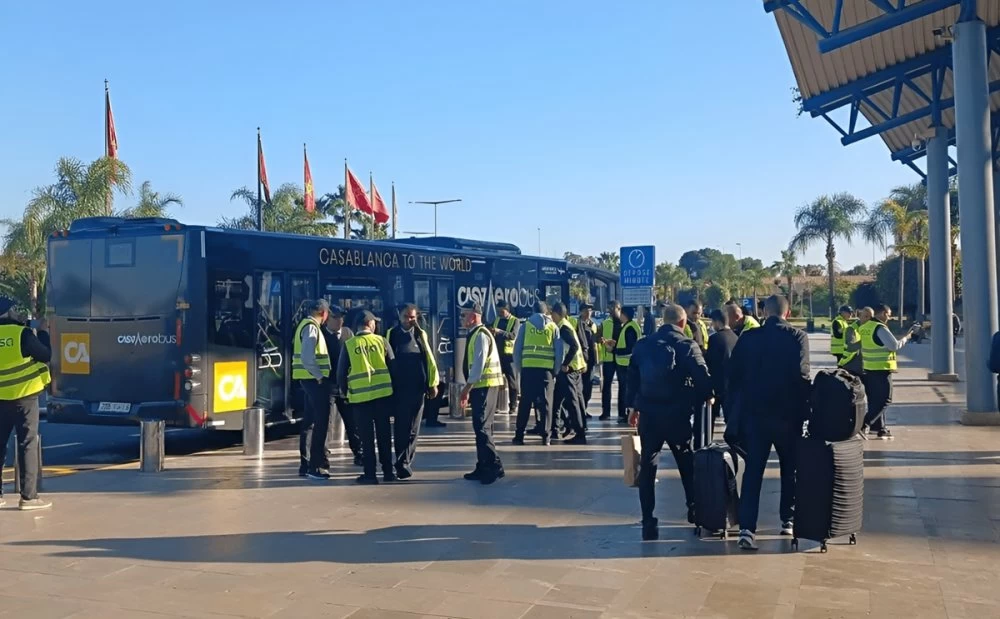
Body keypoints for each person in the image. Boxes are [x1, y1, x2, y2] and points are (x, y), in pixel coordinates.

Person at [727, 295, 810, 551]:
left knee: (753, 472)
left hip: (755, 415)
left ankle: (747, 529)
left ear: (764, 313)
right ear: (788, 313)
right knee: (790, 469)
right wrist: (805, 411)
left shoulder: (749, 338)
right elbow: (802, 375)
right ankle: (788, 520)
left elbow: (733, 376)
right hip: (788, 415)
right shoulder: (797, 337)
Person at [627, 304, 713, 540]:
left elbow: (632, 377)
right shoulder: (687, 345)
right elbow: (702, 377)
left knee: (648, 465)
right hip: (677, 415)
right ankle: (694, 510)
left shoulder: (643, 345)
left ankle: (647, 520)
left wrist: (633, 406)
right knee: (686, 463)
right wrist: (709, 395)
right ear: (683, 323)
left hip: (649, 415)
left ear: (663, 321)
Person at [0, 298, 52, 510]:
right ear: (7, 313)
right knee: (27, 444)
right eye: (14, 309)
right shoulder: (22, 334)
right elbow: (45, 354)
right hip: (25, 396)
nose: (17, 312)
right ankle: (29, 497)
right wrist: (44, 332)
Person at [337, 311, 396, 484]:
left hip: (360, 399)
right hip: (383, 396)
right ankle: (388, 472)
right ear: (370, 324)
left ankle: (370, 474)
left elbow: (341, 373)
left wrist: (345, 393)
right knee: (384, 436)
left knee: (366, 438)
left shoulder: (349, 345)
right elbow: (394, 366)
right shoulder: (382, 341)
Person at [386, 304, 439, 480]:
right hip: (400, 389)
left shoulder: (420, 334)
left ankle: (406, 460)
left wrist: (432, 383)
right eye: (406, 317)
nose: (410, 320)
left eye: (413, 317)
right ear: (399, 316)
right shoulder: (391, 335)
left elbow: (429, 359)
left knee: (414, 428)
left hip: (418, 388)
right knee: (401, 426)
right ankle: (401, 463)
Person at [458, 301, 505, 484]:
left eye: (464, 314)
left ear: (474, 316)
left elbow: (478, 366)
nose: (461, 318)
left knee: (483, 428)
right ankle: (483, 465)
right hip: (481, 387)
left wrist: (466, 389)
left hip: (485, 386)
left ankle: (494, 466)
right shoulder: (475, 334)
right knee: (481, 427)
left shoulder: (481, 335)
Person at [859, 303, 916, 440]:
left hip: (868, 368)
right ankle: (863, 424)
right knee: (885, 400)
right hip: (881, 369)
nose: (889, 318)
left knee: (874, 400)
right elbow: (894, 346)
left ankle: (879, 428)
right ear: (883, 313)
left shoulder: (864, 327)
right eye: (889, 315)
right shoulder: (880, 328)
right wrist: (907, 337)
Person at [293, 299, 332, 480]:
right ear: (324, 313)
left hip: (307, 380)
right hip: (314, 381)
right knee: (320, 423)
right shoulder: (311, 328)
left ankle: (306, 464)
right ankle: (315, 466)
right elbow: (307, 357)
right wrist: (319, 376)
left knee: (309, 422)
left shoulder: (304, 325)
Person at [513, 301, 558, 445]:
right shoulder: (553, 327)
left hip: (528, 371)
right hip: (546, 372)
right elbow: (559, 352)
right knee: (546, 404)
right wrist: (555, 371)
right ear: (546, 312)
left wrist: (520, 369)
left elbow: (517, 350)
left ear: (533, 311)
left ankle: (519, 436)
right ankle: (546, 437)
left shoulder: (525, 326)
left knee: (525, 403)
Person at [321, 305, 361, 466]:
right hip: (328, 384)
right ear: (327, 319)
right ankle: (323, 456)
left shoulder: (348, 334)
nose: (339, 320)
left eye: (341, 317)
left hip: (345, 384)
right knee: (326, 421)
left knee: (353, 421)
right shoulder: (321, 335)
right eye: (335, 317)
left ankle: (359, 452)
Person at [550, 302, 588, 444]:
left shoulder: (564, 328)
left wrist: (565, 363)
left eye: (552, 314)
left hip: (570, 370)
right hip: (573, 369)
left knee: (572, 402)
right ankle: (556, 428)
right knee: (558, 400)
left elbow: (574, 346)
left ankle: (580, 434)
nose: (551, 317)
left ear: (557, 314)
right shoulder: (565, 325)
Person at [705, 309, 738, 423]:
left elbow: (710, 361)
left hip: (717, 385)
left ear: (717, 322)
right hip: (732, 385)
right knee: (730, 420)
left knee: (710, 419)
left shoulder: (715, 338)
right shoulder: (736, 337)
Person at [488, 300, 519, 413]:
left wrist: (500, 332)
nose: (500, 314)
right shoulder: (497, 320)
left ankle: (513, 405)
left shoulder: (515, 321)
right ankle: (495, 406)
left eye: (502, 311)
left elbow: (513, 335)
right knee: (495, 381)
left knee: (512, 382)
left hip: (509, 357)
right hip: (498, 355)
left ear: (507, 310)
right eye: (499, 311)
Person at [615, 306, 642, 424]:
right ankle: (627, 413)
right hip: (626, 363)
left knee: (626, 391)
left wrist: (615, 350)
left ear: (624, 314)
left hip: (626, 364)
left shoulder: (630, 328)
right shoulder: (630, 326)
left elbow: (630, 348)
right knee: (627, 390)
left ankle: (626, 414)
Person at [598, 301, 623, 421]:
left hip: (621, 359)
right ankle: (606, 412)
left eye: (614, 308)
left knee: (623, 386)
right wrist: (602, 340)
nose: (611, 310)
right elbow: (597, 337)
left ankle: (622, 413)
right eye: (610, 308)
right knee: (607, 386)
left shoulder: (624, 323)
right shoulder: (605, 323)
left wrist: (615, 345)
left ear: (619, 308)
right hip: (608, 359)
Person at [575, 304, 599, 409]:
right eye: (586, 310)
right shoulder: (577, 324)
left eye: (590, 310)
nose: (588, 313)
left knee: (589, 385)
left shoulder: (593, 324)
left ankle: (584, 408)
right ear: (581, 312)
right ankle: (580, 409)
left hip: (591, 359)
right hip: (581, 359)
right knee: (581, 386)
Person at [838, 307, 868, 377]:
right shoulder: (851, 330)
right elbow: (851, 347)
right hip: (850, 364)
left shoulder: (863, 328)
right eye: (866, 316)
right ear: (860, 317)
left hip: (857, 364)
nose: (869, 319)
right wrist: (865, 341)